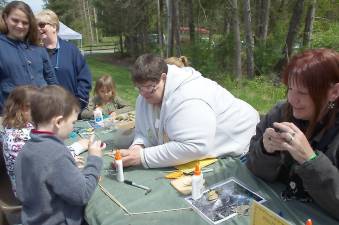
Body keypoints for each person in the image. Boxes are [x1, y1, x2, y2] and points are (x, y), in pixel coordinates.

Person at [246, 48, 339, 220]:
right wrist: (266, 151)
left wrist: (310, 160)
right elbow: (252, 165)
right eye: (290, 88)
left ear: (333, 93)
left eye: (303, 93)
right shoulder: (281, 112)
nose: (292, 99)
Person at [120, 54, 259, 168]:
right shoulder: (145, 96)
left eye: (149, 88)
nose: (143, 94)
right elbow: (143, 132)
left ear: (163, 78)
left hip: (245, 140)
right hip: (210, 143)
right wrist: (138, 146)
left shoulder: (189, 96)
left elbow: (195, 146)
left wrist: (142, 157)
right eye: (139, 88)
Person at [15, 85, 105, 225]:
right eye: (73, 122)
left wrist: (69, 169)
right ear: (58, 122)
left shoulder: (25, 150)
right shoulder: (57, 154)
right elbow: (82, 195)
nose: (73, 127)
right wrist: (94, 158)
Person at [2, 85, 89, 196]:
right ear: (22, 108)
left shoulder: (14, 126)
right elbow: (46, 162)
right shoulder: (19, 136)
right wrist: (75, 149)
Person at [0, 1, 58, 114]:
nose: (20, 26)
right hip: (12, 115)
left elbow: (51, 79)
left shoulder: (38, 48)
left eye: (25, 22)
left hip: (43, 112)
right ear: (6, 18)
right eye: (15, 20)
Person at [35, 9, 92, 111]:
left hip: (72, 110)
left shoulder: (71, 50)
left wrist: (78, 103)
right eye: (36, 26)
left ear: (54, 26)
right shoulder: (34, 52)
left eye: (42, 25)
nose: (38, 28)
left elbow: (84, 78)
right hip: (45, 112)